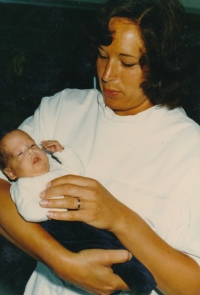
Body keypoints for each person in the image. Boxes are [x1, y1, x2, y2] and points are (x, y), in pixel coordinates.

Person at [0, 0, 200, 295]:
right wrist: (61, 262)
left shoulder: (191, 149)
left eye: (128, 63)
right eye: (102, 56)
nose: (107, 75)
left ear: (161, 66)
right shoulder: (62, 107)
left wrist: (119, 218)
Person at [0, 129, 156, 294]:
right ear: (11, 173)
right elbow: (27, 211)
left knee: (111, 243)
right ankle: (134, 281)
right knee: (94, 250)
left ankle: (138, 277)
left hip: (83, 217)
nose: (30, 151)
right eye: (20, 153)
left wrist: (62, 152)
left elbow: (76, 169)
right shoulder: (24, 185)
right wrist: (53, 208)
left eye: (32, 144)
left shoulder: (54, 168)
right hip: (59, 226)